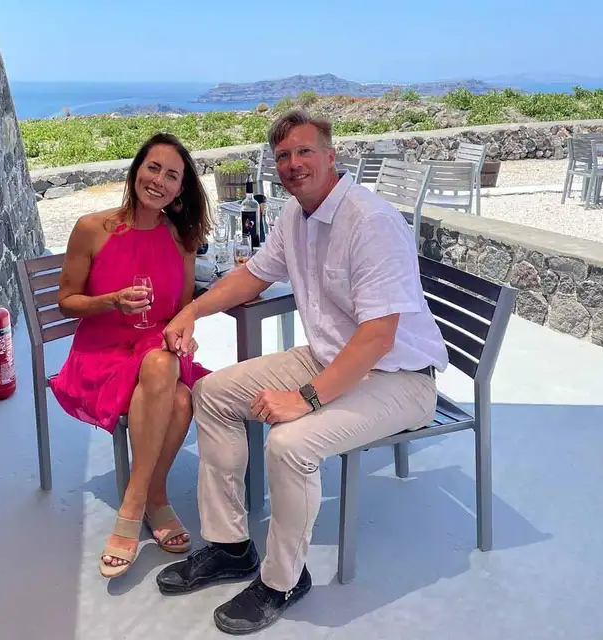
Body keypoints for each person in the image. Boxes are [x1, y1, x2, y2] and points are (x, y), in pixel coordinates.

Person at [156, 110, 449, 634]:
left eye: (305, 151)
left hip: (399, 378)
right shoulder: (296, 214)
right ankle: (230, 546)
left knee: (290, 444)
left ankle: (283, 580)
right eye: (284, 155)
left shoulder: (371, 222)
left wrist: (306, 398)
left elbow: (378, 337)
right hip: (329, 356)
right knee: (213, 392)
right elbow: (252, 276)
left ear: (331, 156)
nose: (293, 163)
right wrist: (190, 312)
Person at [50, 132, 212, 579]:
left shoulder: (181, 237)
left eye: (172, 175)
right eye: (153, 167)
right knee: (178, 395)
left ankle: (139, 498)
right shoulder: (92, 228)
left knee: (170, 377)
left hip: (154, 347)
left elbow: (180, 311)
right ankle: (149, 499)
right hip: (100, 351)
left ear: (180, 190)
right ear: (136, 169)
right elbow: (66, 301)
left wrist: (184, 334)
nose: (159, 180)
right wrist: (111, 302)